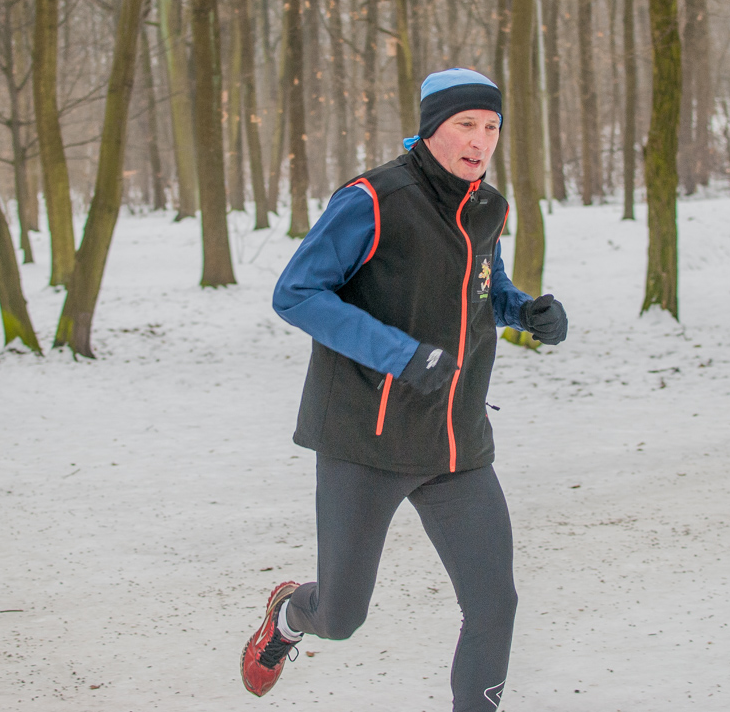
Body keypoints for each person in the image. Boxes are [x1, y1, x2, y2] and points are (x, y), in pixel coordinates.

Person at [241, 69, 568, 710]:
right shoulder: (372, 199)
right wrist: (400, 356)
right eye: (465, 124)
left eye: (492, 126)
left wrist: (523, 311)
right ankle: (289, 614)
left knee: (494, 603)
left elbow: (484, 286)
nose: (480, 140)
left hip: (454, 442)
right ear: (431, 128)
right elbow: (296, 293)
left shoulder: (487, 206)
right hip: (367, 439)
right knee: (340, 617)